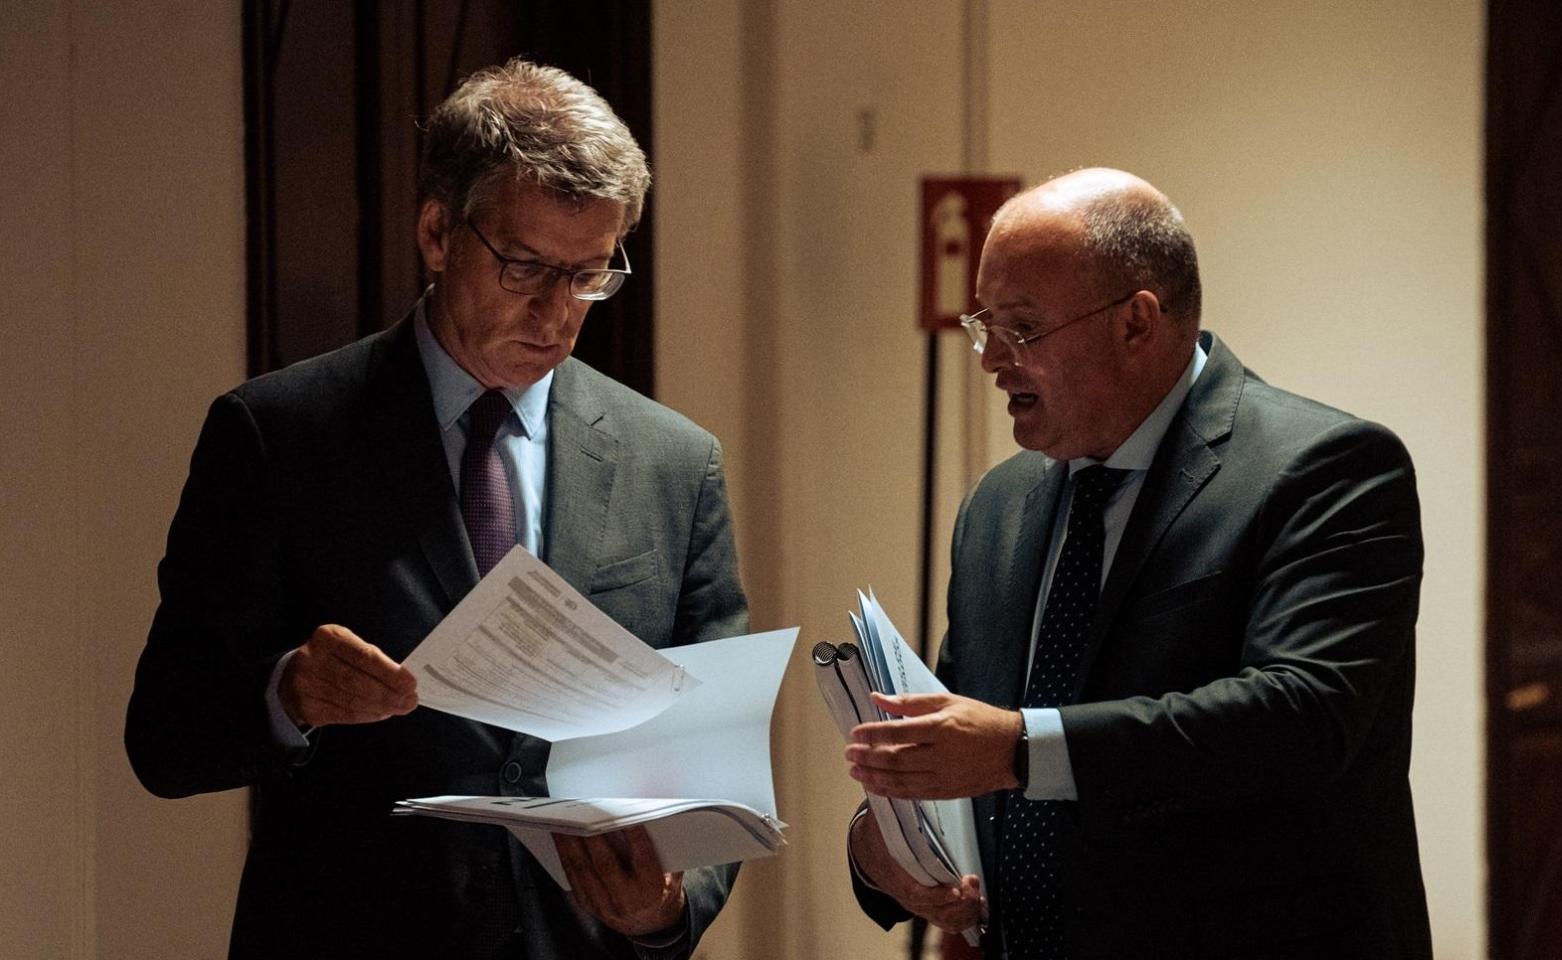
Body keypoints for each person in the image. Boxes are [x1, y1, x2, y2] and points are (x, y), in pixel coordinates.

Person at [125, 59, 747, 960]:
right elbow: (166, 737)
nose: (556, 314)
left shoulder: (675, 463)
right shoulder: (279, 435)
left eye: (588, 276)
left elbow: (712, 753)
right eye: (526, 267)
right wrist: (290, 692)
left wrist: (666, 910)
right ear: (435, 232)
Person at [843, 168, 1432, 959]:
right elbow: (968, 734)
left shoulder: (1325, 468)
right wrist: (884, 852)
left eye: (1022, 329)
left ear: (1136, 322)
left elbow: (1302, 715)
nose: (992, 362)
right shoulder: (998, 507)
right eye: (985, 326)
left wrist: (1019, 749)